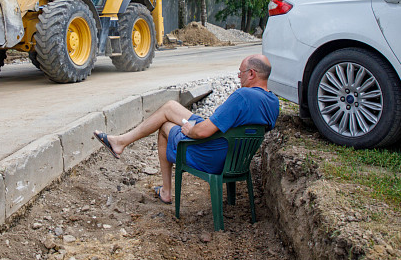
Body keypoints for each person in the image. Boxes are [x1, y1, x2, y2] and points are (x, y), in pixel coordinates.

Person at [93, 54, 279, 204]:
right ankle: (121, 141)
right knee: (170, 107)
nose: (239, 77)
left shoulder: (243, 96)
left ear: (252, 73)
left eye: (241, 73)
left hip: (212, 156)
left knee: (165, 127)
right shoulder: (272, 102)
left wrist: (190, 130)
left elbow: (202, 132)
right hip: (236, 158)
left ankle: (165, 191)